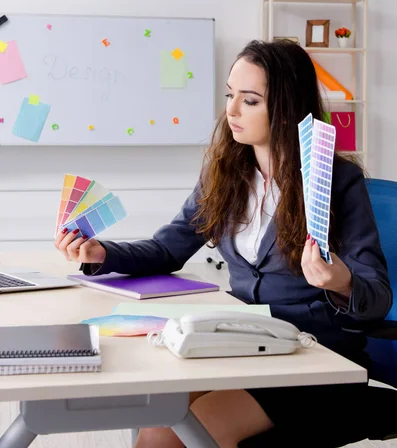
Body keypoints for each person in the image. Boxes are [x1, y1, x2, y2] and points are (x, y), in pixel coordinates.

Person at [55, 40, 395, 448]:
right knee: (157, 428)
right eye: (230, 95)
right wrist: (102, 254)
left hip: (314, 362)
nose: (231, 111)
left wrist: (340, 282)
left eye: (249, 100)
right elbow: (167, 249)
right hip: (238, 346)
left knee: (182, 434)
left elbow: (376, 297)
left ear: (286, 107)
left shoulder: (337, 182)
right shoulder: (226, 173)